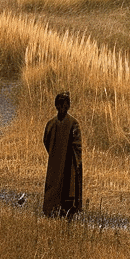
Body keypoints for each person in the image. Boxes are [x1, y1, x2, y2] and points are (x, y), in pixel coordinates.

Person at [43, 91, 83, 219]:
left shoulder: (53, 123)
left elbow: (46, 141)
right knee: (66, 186)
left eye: (64, 105)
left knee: (56, 185)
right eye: (61, 105)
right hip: (66, 163)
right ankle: (64, 212)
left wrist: (54, 153)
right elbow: (77, 146)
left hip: (58, 162)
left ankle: (55, 211)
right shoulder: (72, 123)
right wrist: (76, 163)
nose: (63, 108)